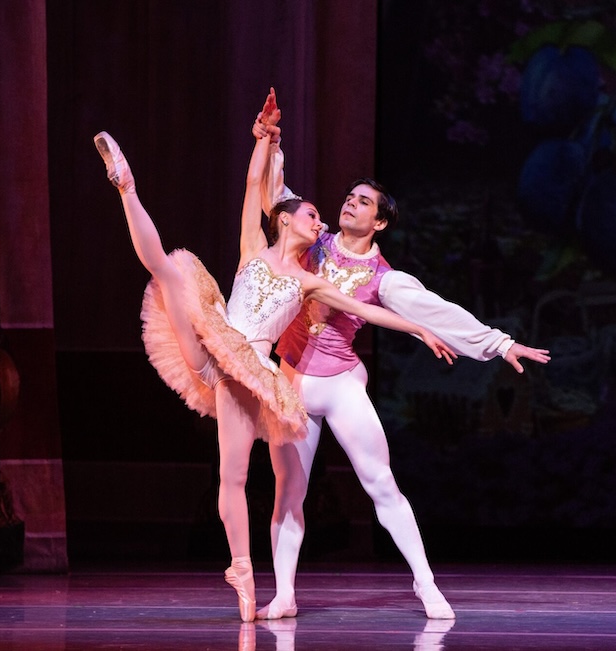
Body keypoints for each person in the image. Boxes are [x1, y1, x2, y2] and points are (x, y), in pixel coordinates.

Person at [92, 89, 456, 622]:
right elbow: (252, 184)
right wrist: (262, 140)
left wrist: (419, 329)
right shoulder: (250, 247)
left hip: (251, 370)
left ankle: (243, 572)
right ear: (286, 221)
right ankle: (125, 184)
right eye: (312, 214)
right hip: (215, 342)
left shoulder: (311, 280)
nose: (321, 221)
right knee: (169, 272)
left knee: (234, 479)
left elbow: (370, 313)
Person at [252, 113, 551, 620]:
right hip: (289, 381)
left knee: (380, 483)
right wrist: (270, 145)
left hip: (340, 384)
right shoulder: (310, 238)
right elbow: (276, 199)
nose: (350, 203)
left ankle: (426, 583)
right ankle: (284, 593)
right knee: (289, 492)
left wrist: (500, 345)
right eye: (350, 197)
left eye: (363, 202)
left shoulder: (384, 278)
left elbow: (439, 311)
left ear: (381, 222)